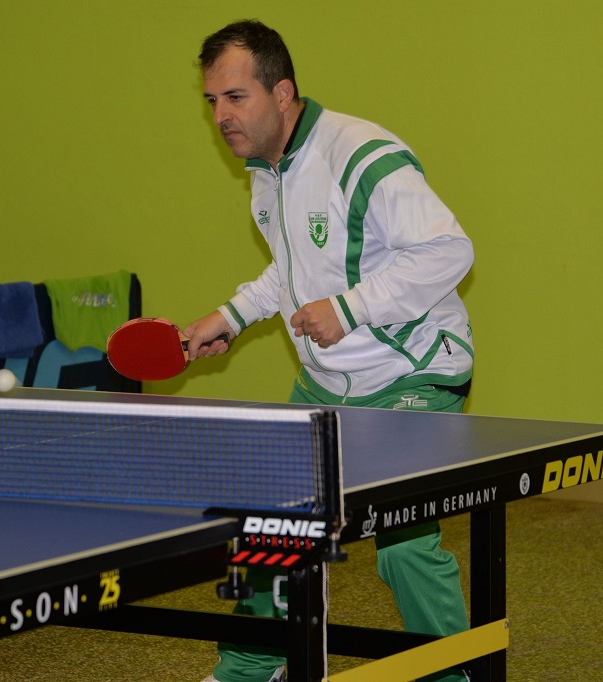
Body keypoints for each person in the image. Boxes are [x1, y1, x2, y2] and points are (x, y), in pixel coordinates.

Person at [184, 20, 474, 682]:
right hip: (326, 384)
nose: (222, 116)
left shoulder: (362, 155)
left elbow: (449, 250)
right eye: (212, 102)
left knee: (403, 545)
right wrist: (232, 315)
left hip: (414, 372)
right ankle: (254, 666)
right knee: (272, 524)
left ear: (282, 92)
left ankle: (452, 674)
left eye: (236, 97)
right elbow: (293, 268)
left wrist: (350, 309)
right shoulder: (268, 171)